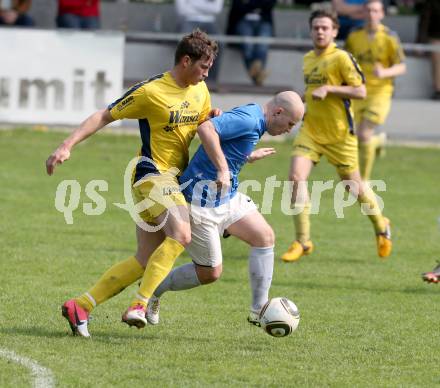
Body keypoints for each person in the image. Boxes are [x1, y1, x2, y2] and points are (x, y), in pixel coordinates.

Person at [46, 30, 219, 337]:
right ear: (185, 60)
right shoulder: (150, 91)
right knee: (181, 233)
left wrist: (215, 119)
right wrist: (66, 145)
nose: (206, 74)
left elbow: (202, 124)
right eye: (203, 67)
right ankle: (140, 304)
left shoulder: (200, 89)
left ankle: (81, 305)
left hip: (174, 179)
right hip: (150, 175)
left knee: (144, 260)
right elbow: (104, 115)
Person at [144, 91, 305, 326]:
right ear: (278, 112)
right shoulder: (250, 118)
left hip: (226, 198)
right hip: (200, 203)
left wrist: (246, 156)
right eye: (290, 123)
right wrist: (222, 168)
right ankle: (154, 290)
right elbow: (207, 129)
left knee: (265, 236)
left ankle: (258, 309)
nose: (290, 129)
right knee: (210, 273)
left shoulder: (256, 121)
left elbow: (226, 141)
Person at [281, 10, 392, 263]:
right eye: (316, 27)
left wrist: (329, 89)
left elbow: (361, 91)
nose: (320, 31)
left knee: (353, 186)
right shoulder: (308, 58)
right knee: (296, 177)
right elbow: (311, 92)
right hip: (311, 130)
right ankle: (303, 240)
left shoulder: (342, 58)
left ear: (334, 32)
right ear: (311, 31)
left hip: (341, 135)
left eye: (325, 27)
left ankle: (381, 224)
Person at [345, 0, 406, 181]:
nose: (372, 14)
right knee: (353, 137)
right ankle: (378, 141)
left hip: (381, 91)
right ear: (363, 13)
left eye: (376, 11)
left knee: (364, 134)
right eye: (368, 10)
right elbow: (345, 61)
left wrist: (385, 72)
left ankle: (363, 181)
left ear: (382, 14)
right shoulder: (354, 36)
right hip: (358, 91)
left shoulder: (389, 37)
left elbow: (402, 66)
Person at [226, 0, 276, 86]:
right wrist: (258, 5)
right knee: (247, 45)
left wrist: (248, 3)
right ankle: (258, 78)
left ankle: (256, 76)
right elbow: (237, 6)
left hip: (264, 21)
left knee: (262, 46)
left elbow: (269, 4)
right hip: (242, 21)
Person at [175, 0, 224, 86]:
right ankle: (182, 78)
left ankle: (211, 81)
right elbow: (182, 10)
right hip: (189, 20)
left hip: (210, 21)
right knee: (185, 44)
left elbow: (217, 9)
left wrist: (192, 3)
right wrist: (206, 7)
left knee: (220, 43)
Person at [416, 0, 440, 100]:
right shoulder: (431, 2)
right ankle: (438, 90)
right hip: (435, 37)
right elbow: (424, 22)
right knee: (438, 61)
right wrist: (420, 43)